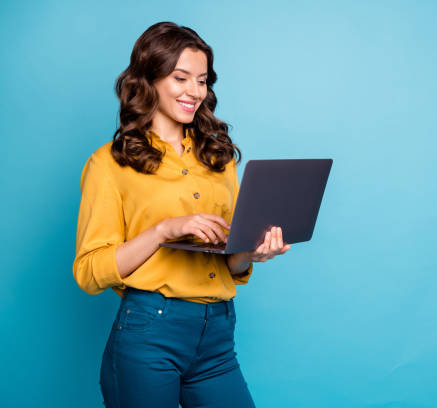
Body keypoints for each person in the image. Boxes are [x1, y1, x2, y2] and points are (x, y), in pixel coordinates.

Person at [72, 21, 290, 408]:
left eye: (202, 81)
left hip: (218, 335)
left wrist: (251, 254)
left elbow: (229, 262)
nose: (194, 91)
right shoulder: (108, 164)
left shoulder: (219, 159)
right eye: (181, 77)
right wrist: (162, 231)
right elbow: (89, 272)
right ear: (149, 79)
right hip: (149, 333)